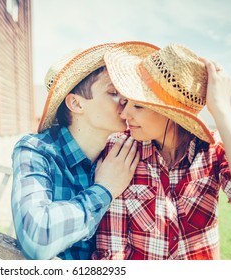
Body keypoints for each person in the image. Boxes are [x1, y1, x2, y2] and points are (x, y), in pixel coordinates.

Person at [93, 43, 231, 260]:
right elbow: (112, 251)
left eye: (138, 106)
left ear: (170, 113)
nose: (124, 113)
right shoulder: (120, 151)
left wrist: (222, 108)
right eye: (126, 101)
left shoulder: (213, 150)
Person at [11, 42, 159, 260]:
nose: (126, 100)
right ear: (76, 104)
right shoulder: (37, 150)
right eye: (113, 92)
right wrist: (105, 189)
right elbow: (37, 238)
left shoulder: (122, 153)